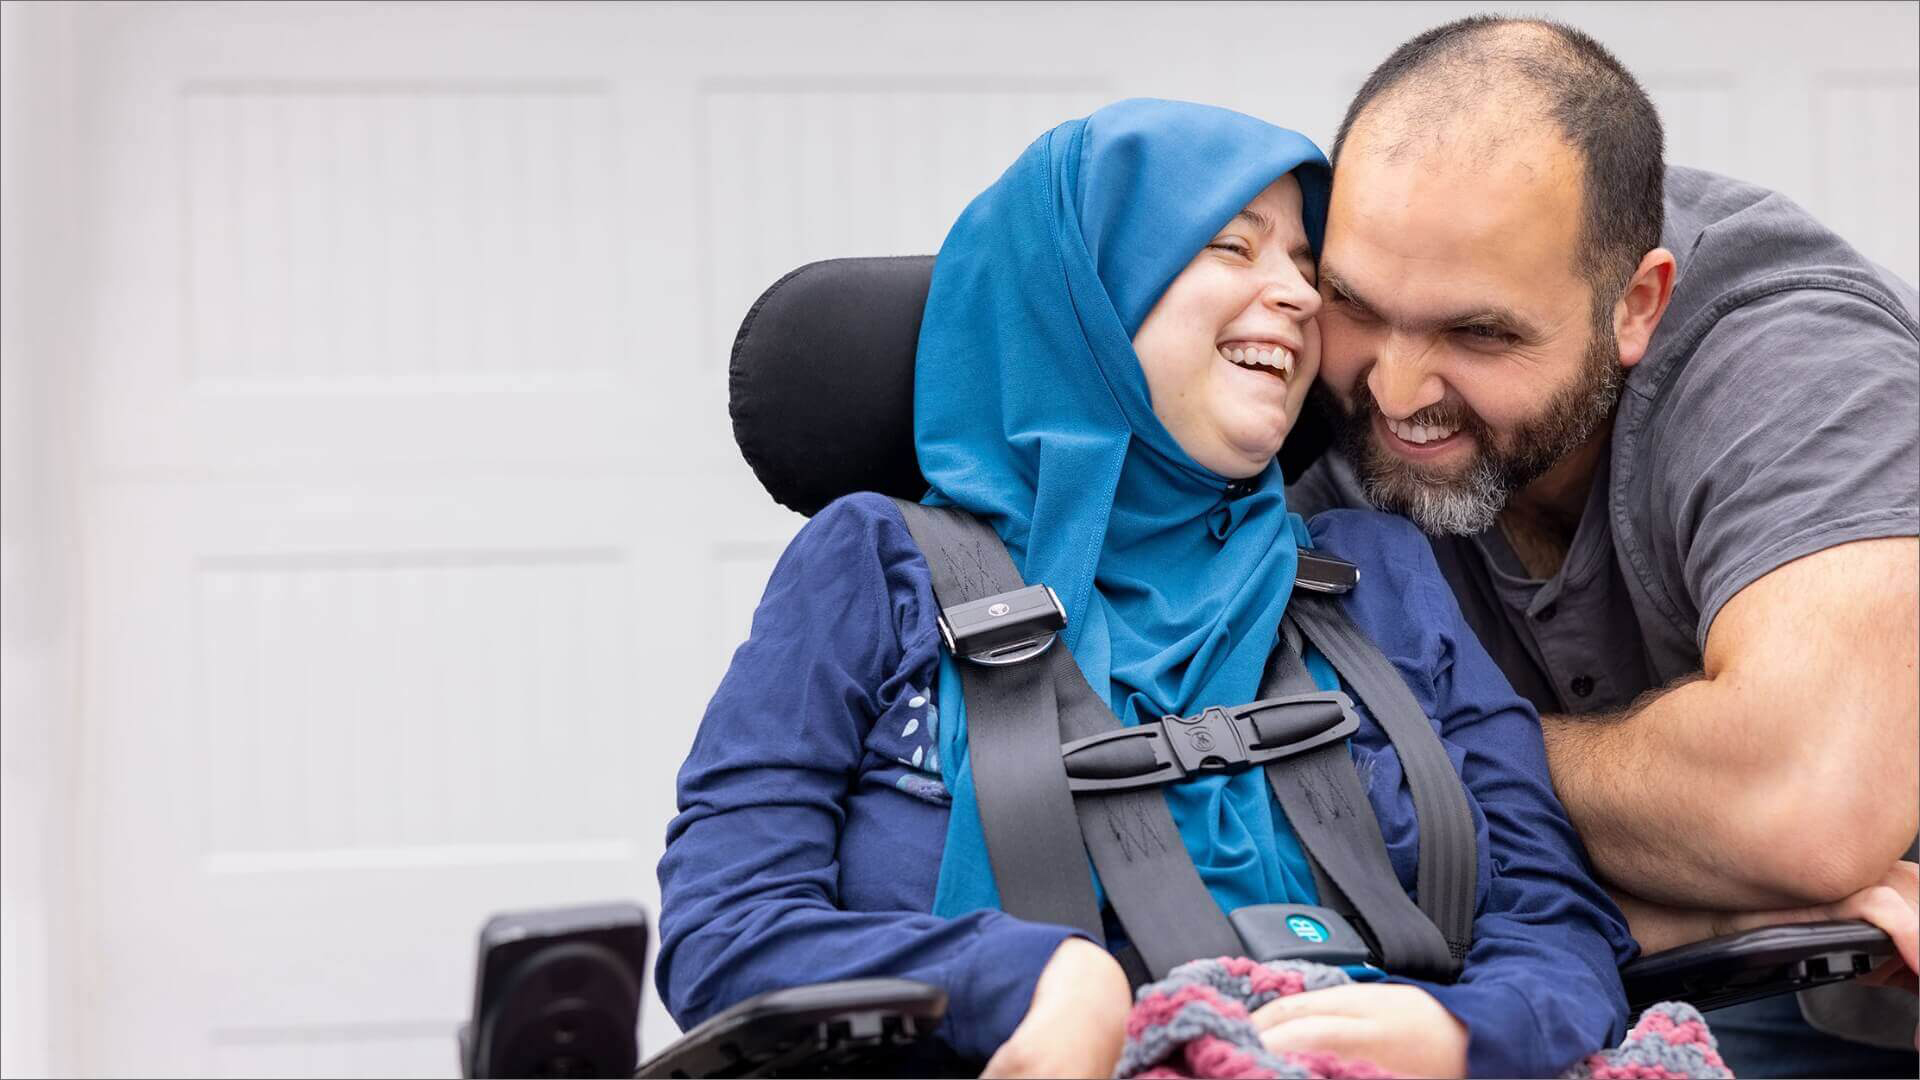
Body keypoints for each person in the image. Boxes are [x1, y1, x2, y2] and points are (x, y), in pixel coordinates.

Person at [657, 99, 1638, 1080]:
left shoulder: (1379, 576)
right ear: (1084, 295)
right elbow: (727, 930)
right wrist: (1028, 978)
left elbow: (1554, 913)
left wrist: (1466, 1032)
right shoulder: (873, 567)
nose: (1298, 296)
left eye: (1305, 265)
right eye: (1231, 246)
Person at [1285, 16, 1920, 1076]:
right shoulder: (1291, 348)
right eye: (1357, 305)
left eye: (1479, 334)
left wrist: (1401, 770)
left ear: (1637, 305)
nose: (1396, 392)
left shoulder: (1795, 360)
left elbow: (1803, 810)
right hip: (1632, 920)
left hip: (1868, 950)